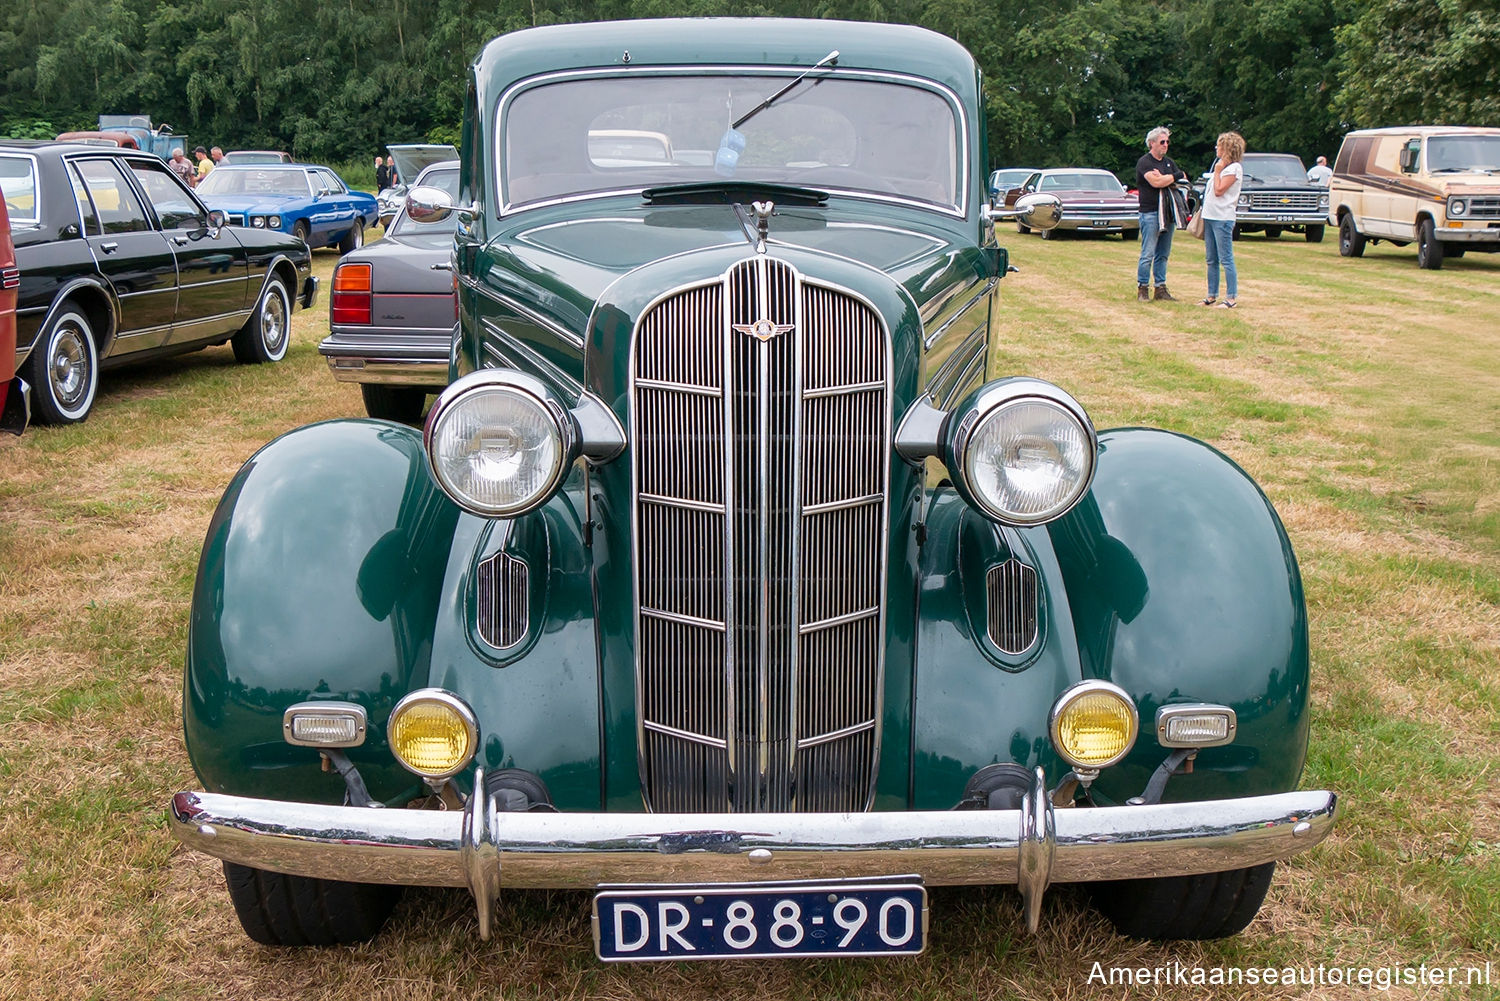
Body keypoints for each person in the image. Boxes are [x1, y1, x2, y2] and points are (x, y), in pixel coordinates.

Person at [1135, 126, 1188, 301]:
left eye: (1167, 142)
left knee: (1163, 254)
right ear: (1152, 144)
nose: (1165, 145)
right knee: (1148, 253)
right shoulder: (1145, 162)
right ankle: (1143, 288)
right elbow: (1156, 182)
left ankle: (1161, 288)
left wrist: (1171, 177)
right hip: (1150, 213)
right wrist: (1173, 177)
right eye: (1162, 142)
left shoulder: (1169, 163)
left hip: (1168, 213)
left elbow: (1184, 180)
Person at [1201, 131, 1245, 309]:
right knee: (1211, 259)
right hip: (1210, 216)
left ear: (1227, 148)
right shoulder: (1221, 167)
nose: (1216, 148)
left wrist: (1218, 171)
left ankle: (1231, 297)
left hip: (1223, 218)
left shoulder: (1234, 169)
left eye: (1219, 145)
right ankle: (1211, 295)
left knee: (1226, 258)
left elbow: (1219, 190)